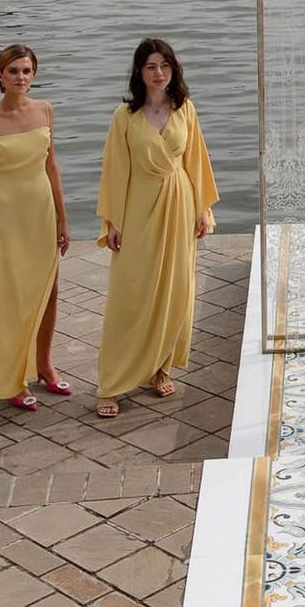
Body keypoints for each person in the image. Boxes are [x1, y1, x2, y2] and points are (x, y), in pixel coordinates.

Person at [94, 38, 218, 419]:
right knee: (130, 295)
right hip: (139, 207)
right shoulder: (124, 116)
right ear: (139, 72)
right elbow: (115, 169)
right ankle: (111, 383)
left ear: (173, 69)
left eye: (164, 65)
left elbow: (196, 160)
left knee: (176, 290)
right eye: (150, 66)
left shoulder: (185, 110)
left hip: (179, 204)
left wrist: (202, 210)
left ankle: (160, 369)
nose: (158, 72)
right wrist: (113, 221)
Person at [0, 44, 71, 411]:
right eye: (13, 71)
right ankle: (13, 376)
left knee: (50, 290)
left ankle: (44, 364)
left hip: (41, 208)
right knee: (10, 297)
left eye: (27, 71)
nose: (20, 77)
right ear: (0, 76)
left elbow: (52, 167)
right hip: (6, 212)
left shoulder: (45, 111)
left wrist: (62, 218)